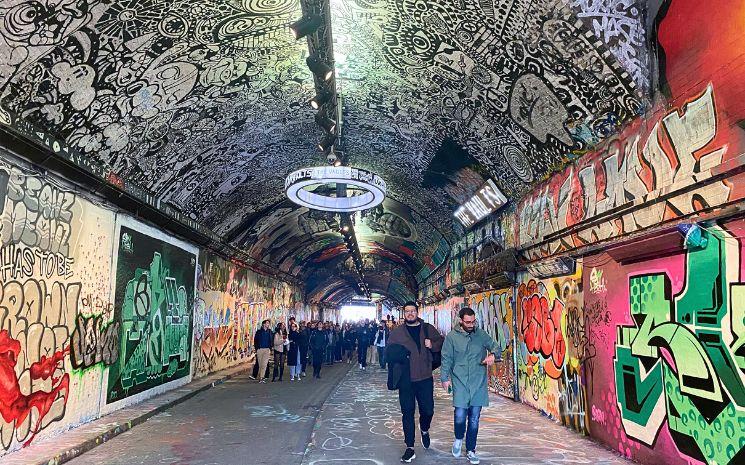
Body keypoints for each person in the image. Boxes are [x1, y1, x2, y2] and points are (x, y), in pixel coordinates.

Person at [440, 307, 500, 465]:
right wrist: (444, 378)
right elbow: (446, 359)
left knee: (474, 419)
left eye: (473, 321)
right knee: (460, 415)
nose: (471, 324)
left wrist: (493, 355)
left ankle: (471, 450)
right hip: (459, 382)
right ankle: (459, 438)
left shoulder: (481, 335)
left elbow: (495, 346)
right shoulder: (451, 337)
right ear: (461, 321)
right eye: (468, 322)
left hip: (478, 382)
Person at [387, 301, 444, 463]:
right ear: (403, 314)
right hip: (406, 380)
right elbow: (389, 353)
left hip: (425, 377)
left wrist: (431, 344)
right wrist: (400, 353)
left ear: (417, 312)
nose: (410, 314)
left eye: (412, 311)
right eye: (407, 311)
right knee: (407, 412)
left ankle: (424, 429)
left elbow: (441, 342)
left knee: (428, 410)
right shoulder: (397, 333)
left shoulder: (427, 329)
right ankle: (410, 447)